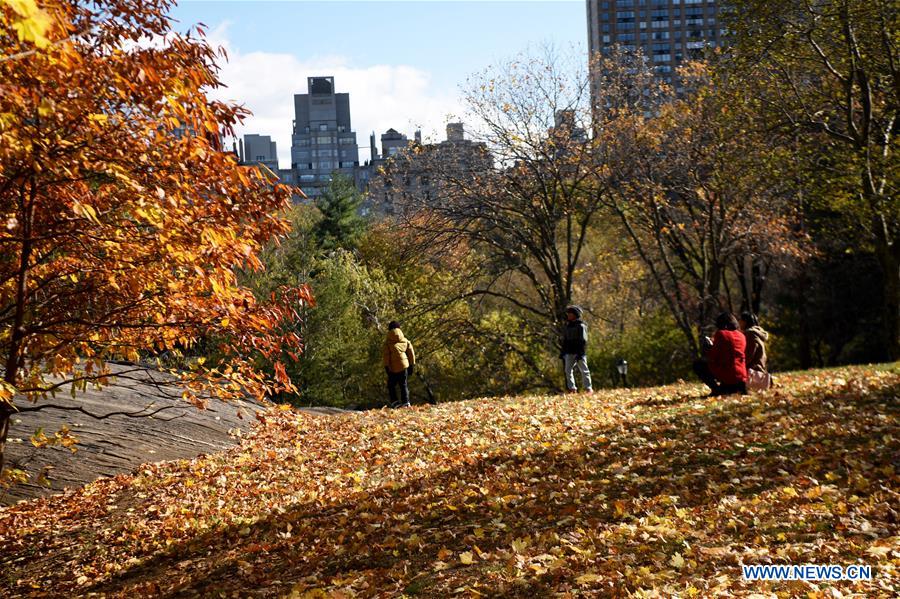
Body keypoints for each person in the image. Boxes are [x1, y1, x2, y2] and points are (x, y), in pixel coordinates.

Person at [693, 311, 748, 396]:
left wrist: (709, 347)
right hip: (742, 378)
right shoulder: (742, 336)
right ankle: (724, 389)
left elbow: (713, 356)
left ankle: (716, 389)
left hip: (728, 376)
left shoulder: (721, 334)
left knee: (698, 364)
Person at [560, 306, 593, 394]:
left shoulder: (581, 326)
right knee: (568, 370)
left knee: (584, 370)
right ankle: (572, 389)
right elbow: (565, 340)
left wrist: (580, 353)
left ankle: (588, 389)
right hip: (569, 352)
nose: (568, 315)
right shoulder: (567, 326)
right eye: (568, 314)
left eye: (570, 314)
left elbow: (583, 341)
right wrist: (563, 352)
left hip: (579, 352)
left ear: (575, 315)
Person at [382, 320, 415, 408]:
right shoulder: (405, 340)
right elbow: (411, 353)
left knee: (391, 385)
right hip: (404, 365)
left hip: (393, 367)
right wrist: (412, 365)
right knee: (403, 385)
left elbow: (386, 355)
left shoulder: (388, 342)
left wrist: (386, 367)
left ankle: (395, 402)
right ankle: (406, 402)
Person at [740, 311, 772, 391]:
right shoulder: (757, 333)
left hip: (753, 371)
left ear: (745, 322)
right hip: (760, 369)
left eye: (740, 320)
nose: (739, 322)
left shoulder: (750, 334)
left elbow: (749, 356)